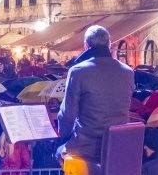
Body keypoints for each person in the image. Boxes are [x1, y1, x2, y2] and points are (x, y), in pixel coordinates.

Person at [57, 25, 133, 162]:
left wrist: (63, 137)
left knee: (57, 153)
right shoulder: (127, 72)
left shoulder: (78, 71)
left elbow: (68, 114)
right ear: (109, 45)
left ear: (86, 46)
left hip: (86, 147)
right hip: (117, 144)